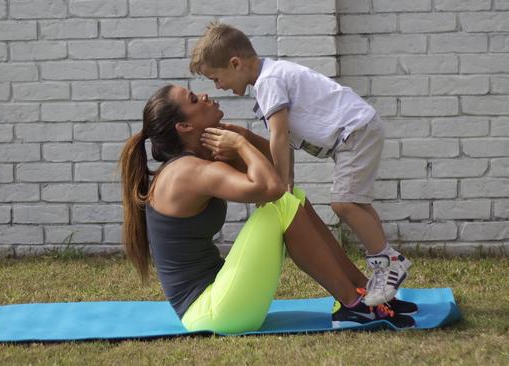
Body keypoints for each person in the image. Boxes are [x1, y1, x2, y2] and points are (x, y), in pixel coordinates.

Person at [119, 84, 416, 334]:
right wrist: (240, 145)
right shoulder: (187, 171)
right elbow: (272, 188)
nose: (206, 96)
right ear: (183, 126)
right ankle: (353, 306)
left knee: (292, 197)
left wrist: (243, 139)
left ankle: (366, 294)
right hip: (211, 312)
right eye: (194, 99)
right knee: (281, 205)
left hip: (222, 300)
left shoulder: (198, 162)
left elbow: (279, 168)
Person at [188, 22, 411, 306]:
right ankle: (387, 261)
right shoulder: (272, 78)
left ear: (235, 63)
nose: (218, 87)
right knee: (358, 203)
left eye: (216, 79)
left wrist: (278, 187)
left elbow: (278, 136)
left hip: (354, 131)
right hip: (359, 128)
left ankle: (388, 263)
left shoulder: (269, 82)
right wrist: (289, 183)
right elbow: (287, 140)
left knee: (343, 204)